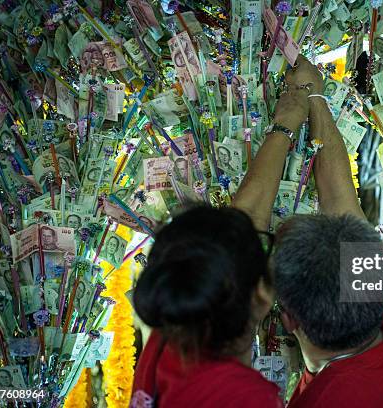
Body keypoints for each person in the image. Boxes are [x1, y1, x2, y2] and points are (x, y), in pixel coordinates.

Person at [231, 56, 383, 407]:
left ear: (288, 319)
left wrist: (283, 127)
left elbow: (234, 240)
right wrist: (314, 98)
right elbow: (339, 197)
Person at [131, 83, 308, 408]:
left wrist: (285, 125)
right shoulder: (245, 398)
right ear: (262, 294)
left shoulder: (171, 339)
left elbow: (240, 227)